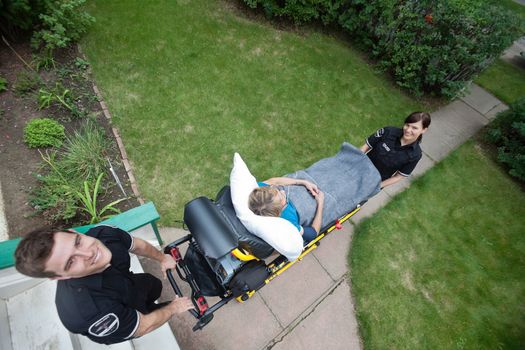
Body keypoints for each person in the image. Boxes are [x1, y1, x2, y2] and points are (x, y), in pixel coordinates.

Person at [14, 225, 194, 345]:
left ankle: (152, 302)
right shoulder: (90, 313)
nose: (89, 253)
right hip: (116, 308)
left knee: (153, 285)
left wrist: (163, 258)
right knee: (148, 313)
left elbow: (137, 245)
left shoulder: (102, 235)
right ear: (59, 277)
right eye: (70, 262)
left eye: (78, 242)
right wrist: (173, 308)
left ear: (74, 231)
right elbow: (144, 326)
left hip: (128, 283)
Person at [360, 112, 431, 188]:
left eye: (414, 128)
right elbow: (365, 146)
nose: (408, 130)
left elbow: (399, 176)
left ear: (424, 130)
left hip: (373, 184)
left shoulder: (416, 155)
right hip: (359, 169)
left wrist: (377, 187)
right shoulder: (388, 131)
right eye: (407, 125)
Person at [249, 178, 324, 243]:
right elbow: (313, 233)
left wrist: (304, 182)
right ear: (278, 212)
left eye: (277, 190)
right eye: (282, 196)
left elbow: (273, 181)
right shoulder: (287, 223)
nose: (283, 192)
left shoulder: (260, 194)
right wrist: (320, 203)